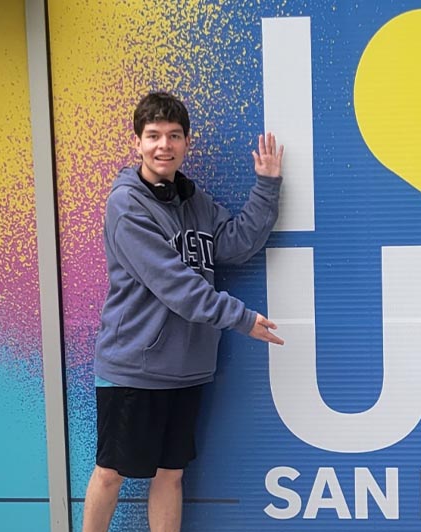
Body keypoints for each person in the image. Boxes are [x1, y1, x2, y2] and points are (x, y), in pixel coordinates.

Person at [82, 91, 285, 532]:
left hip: (187, 368)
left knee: (171, 476)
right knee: (111, 473)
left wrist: (267, 185)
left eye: (174, 135)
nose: (164, 145)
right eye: (153, 135)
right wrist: (243, 319)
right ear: (137, 142)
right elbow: (176, 286)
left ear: (186, 143)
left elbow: (234, 243)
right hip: (133, 368)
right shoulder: (127, 205)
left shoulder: (194, 201)